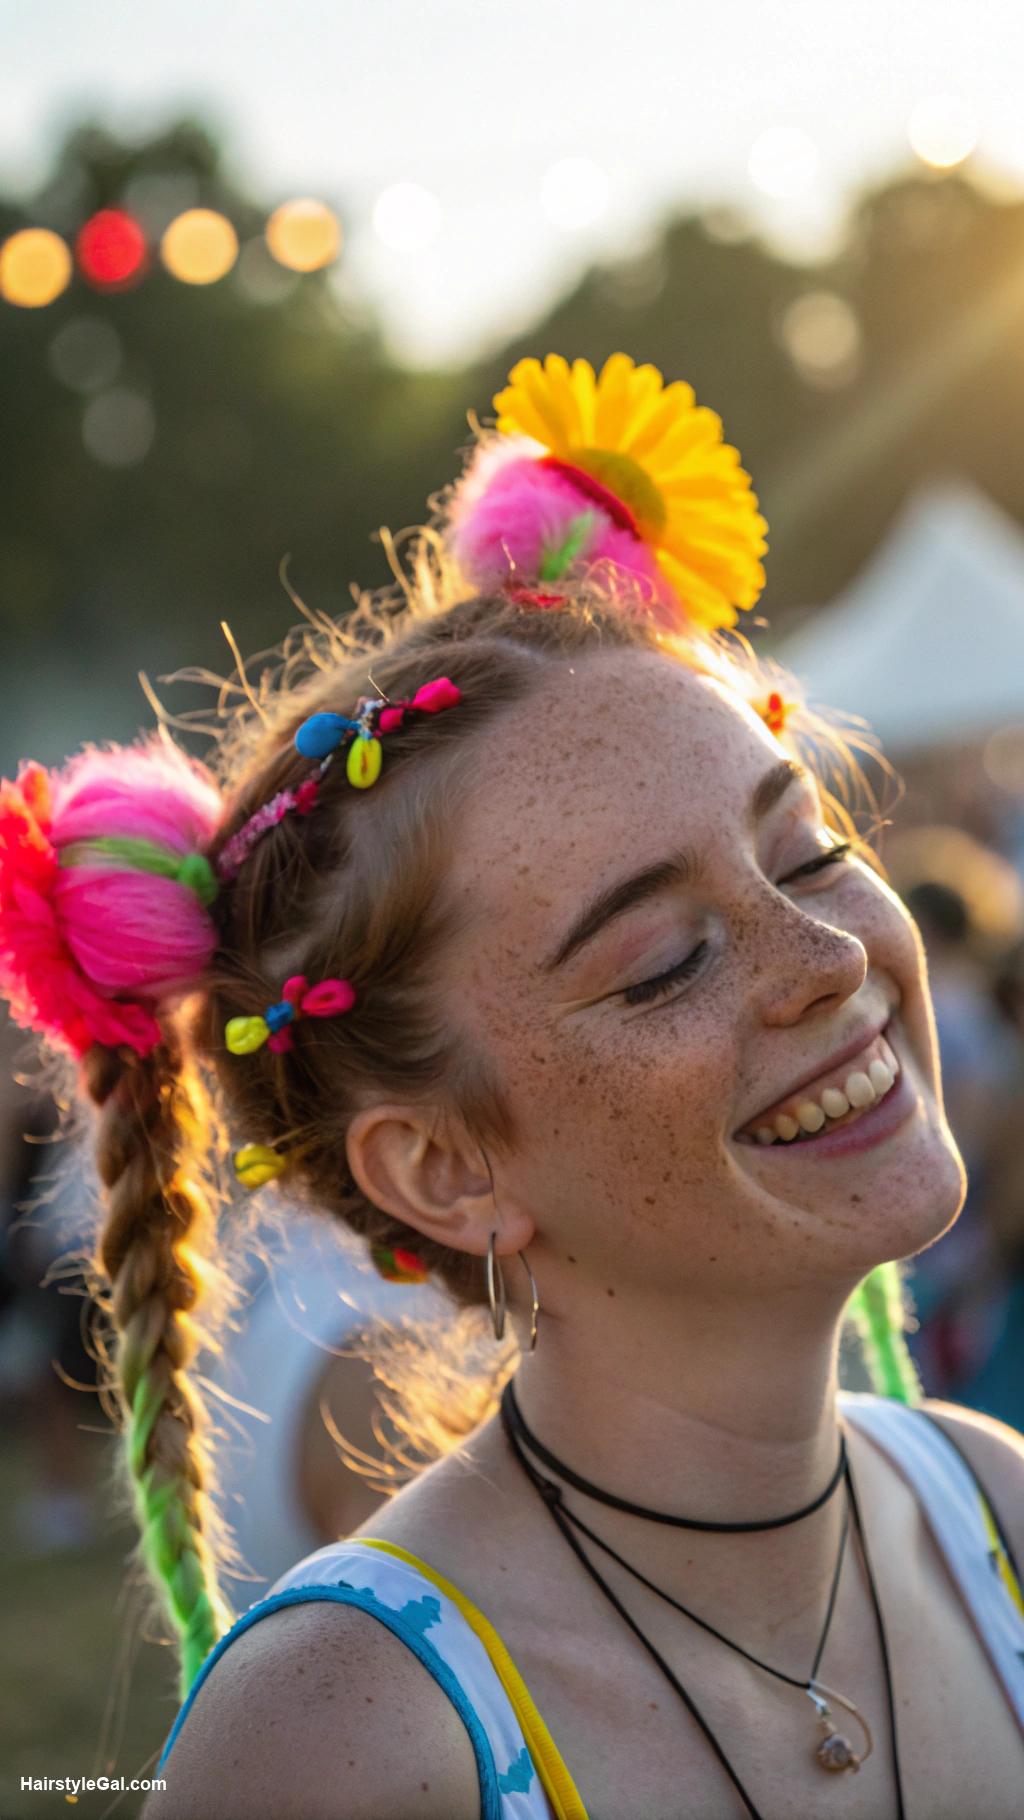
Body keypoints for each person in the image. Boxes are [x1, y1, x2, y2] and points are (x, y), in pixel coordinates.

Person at [1, 351, 1021, 1820]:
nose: (829, 956)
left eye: (809, 853)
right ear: (446, 1168)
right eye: (666, 960)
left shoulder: (995, 1517)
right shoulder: (347, 1740)